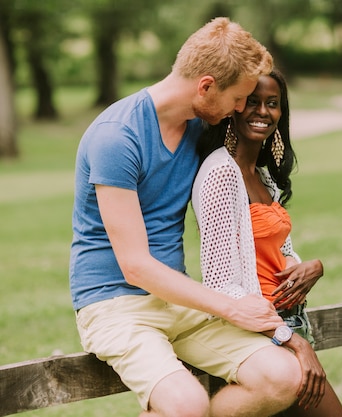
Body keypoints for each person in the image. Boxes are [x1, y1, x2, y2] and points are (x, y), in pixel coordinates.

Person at [70, 18, 309, 417]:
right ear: (206, 86)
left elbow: (250, 181)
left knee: (283, 377)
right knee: (186, 404)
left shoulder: (200, 126)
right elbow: (136, 266)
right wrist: (230, 307)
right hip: (114, 305)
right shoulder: (117, 137)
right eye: (238, 98)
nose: (240, 109)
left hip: (179, 300)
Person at [192, 69, 342, 417]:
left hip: (291, 321)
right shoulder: (220, 174)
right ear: (233, 107)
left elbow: (282, 250)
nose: (262, 111)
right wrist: (289, 341)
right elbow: (219, 284)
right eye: (251, 101)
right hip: (261, 335)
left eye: (272, 103)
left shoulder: (263, 174)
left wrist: (312, 267)